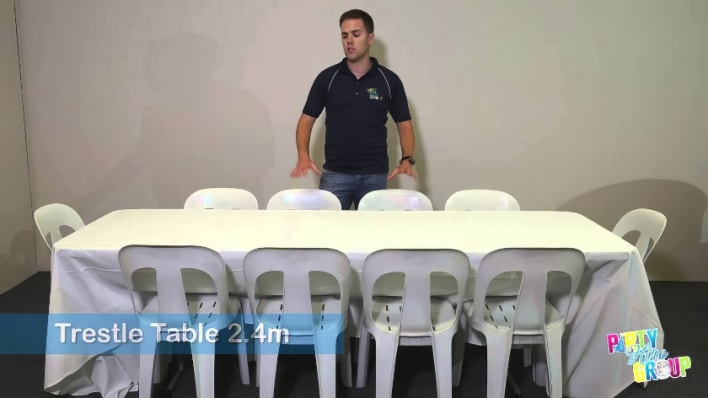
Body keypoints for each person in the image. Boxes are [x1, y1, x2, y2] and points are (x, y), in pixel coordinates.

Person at [289, 9, 417, 209]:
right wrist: (303, 156)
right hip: (335, 175)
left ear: (370, 38)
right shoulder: (327, 78)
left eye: (356, 34)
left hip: (375, 175)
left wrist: (407, 159)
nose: (349, 41)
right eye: (344, 35)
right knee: (330, 235)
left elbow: (404, 124)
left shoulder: (389, 80)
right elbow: (306, 120)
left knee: (371, 236)